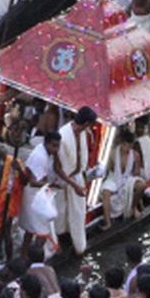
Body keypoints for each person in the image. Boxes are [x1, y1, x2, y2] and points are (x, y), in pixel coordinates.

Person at [56, 107, 96, 255]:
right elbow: (58, 167)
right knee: (60, 211)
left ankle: (77, 242)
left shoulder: (84, 134)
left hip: (77, 177)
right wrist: (73, 183)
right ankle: (58, 241)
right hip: (63, 179)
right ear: (86, 123)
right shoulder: (64, 135)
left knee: (78, 211)